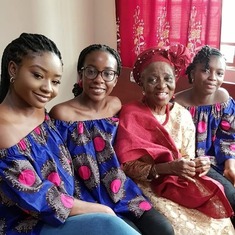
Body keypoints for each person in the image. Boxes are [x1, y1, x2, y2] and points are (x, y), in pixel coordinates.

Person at [0, 33, 141, 235]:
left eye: (55, 81)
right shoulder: (3, 129)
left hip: (68, 202)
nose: (47, 89)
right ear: (13, 69)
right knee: (111, 226)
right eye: (38, 76)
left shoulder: (38, 111)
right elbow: (39, 200)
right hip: (30, 222)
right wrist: (100, 209)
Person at [49, 44, 174, 235]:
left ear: (115, 79)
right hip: (86, 195)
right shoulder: (62, 113)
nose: (99, 79)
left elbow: (132, 142)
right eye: (91, 71)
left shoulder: (116, 105)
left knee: (163, 228)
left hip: (122, 190)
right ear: (80, 74)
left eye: (108, 73)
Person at [114, 44, 235, 234]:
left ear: (175, 81)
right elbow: (127, 167)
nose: (162, 85)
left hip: (180, 180)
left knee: (217, 220)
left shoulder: (182, 114)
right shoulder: (131, 113)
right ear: (142, 84)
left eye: (167, 79)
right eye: (152, 79)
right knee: (176, 227)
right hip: (147, 184)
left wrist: (198, 165)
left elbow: (186, 155)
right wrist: (167, 168)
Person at [175, 45, 235, 226]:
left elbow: (228, 136)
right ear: (192, 72)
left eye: (219, 73)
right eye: (206, 70)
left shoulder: (223, 99)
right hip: (190, 166)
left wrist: (230, 166)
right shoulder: (176, 104)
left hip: (218, 161)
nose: (213, 78)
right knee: (231, 195)